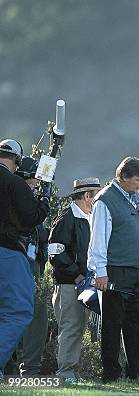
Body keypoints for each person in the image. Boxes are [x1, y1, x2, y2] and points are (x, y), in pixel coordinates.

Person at [88, 157, 139, 381]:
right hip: (114, 271)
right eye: (137, 180)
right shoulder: (104, 200)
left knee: (137, 323)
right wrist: (100, 272)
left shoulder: (136, 197)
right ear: (123, 177)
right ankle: (111, 374)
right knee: (112, 325)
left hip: (138, 270)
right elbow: (98, 240)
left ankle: (136, 373)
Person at [0, 139, 50, 379]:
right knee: (19, 311)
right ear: (16, 161)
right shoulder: (14, 183)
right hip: (8, 252)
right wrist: (44, 200)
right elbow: (31, 219)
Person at [49, 177, 101, 382]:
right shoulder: (66, 219)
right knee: (71, 327)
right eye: (96, 195)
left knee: (77, 327)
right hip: (70, 285)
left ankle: (70, 372)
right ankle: (65, 373)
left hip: (82, 284)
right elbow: (56, 253)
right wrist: (77, 276)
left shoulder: (86, 218)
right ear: (87, 196)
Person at [14, 157, 50, 376]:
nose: (38, 184)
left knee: (37, 312)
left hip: (33, 261)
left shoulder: (34, 197)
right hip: (15, 258)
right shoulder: (14, 193)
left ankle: (31, 367)